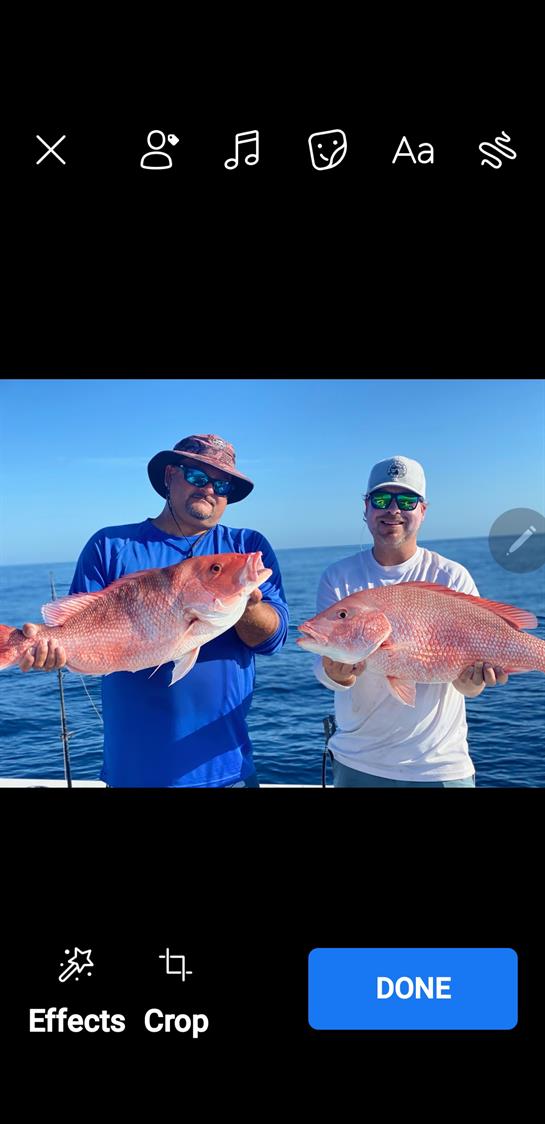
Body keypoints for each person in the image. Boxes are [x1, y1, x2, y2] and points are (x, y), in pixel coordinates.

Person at [19, 434, 289, 788]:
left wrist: (246, 605)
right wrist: (52, 651)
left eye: (222, 484)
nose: (209, 489)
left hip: (228, 769)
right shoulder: (110, 545)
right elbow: (74, 631)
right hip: (135, 771)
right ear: (169, 477)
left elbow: (274, 639)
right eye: (196, 476)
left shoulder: (247, 547)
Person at [314, 455, 509, 787]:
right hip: (357, 761)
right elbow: (326, 669)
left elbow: (468, 688)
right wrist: (335, 672)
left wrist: (475, 678)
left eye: (406, 500)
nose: (393, 509)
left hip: (440, 767)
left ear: (423, 510)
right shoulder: (339, 577)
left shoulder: (451, 576)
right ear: (366, 508)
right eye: (381, 499)